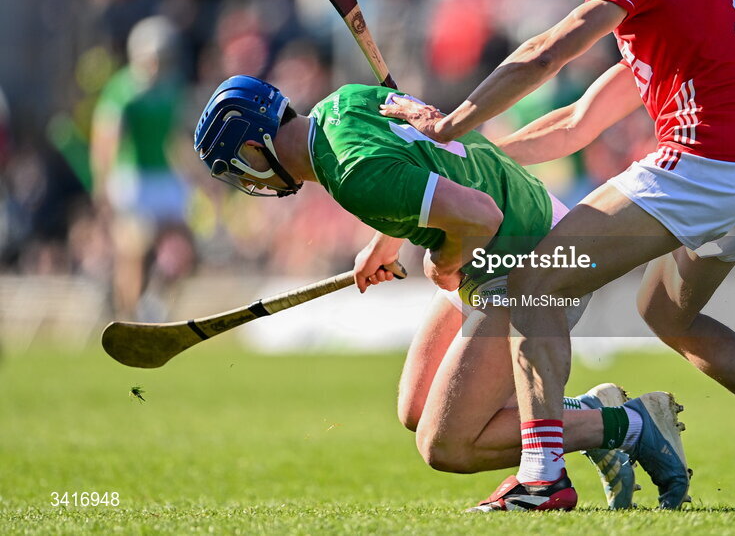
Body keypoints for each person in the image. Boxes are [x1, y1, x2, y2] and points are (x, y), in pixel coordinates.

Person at [379, 0, 735, 511]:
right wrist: (470, 153)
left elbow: (548, 54)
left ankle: (543, 476)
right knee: (667, 313)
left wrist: (452, 121)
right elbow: (576, 123)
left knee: (534, 283)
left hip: (706, 160)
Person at [194, 74, 692, 511]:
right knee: (416, 408)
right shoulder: (340, 104)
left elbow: (478, 215)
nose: (244, 179)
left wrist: (443, 259)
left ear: (255, 148)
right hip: (508, 238)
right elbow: (420, 159)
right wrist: (382, 241)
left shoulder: (351, 174)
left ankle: (627, 425)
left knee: (446, 446)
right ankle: (585, 413)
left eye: (237, 166)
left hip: (528, 259)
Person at [90, 16, 195, 320]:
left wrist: (196, 175)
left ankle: (153, 301)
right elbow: (106, 140)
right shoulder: (124, 91)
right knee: (133, 252)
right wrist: (102, 182)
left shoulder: (171, 89)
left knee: (185, 245)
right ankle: (129, 316)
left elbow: (176, 138)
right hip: (132, 179)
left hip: (163, 176)